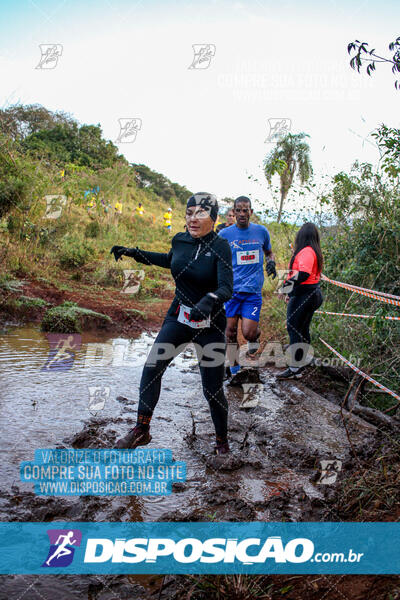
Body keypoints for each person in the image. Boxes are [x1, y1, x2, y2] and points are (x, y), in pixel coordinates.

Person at [110, 192, 233, 456]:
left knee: (212, 389)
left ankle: (222, 442)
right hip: (179, 316)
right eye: (189, 213)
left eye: (200, 213)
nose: (193, 218)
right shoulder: (180, 240)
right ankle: (141, 429)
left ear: (213, 217)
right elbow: (170, 260)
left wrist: (210, 299)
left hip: (210, 325)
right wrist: (135, 254)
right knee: (152, 367)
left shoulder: (221, 247)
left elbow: (226, 288)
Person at [218, 196, 277, 378]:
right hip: (231, 292)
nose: (242, 214)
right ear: (234, 212)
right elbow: (215, 258)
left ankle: (255, 338)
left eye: (246, 210)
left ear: (251, 212)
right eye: (239, 210)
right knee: (229, 332)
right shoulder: (224, 235)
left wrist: (271, 262)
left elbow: (269, 252)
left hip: (252, 293)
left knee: (248, 332)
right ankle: (235, 369)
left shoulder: (261, 232)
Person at [277, 222, 323, 379]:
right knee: (302, 329)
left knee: (294, 328)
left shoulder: (306, 252)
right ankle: (302, 362)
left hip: (305, 295)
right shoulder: (312, 251)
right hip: (309, 293)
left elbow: (303, 274)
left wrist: (285, 287)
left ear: (301, 236)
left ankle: (295, 368)